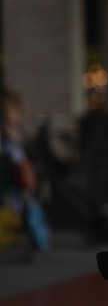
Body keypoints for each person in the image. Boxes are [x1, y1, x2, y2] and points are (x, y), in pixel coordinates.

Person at [0, 87, 52, 253]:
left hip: (14, 170)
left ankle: (39, 240)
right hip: (12, 170)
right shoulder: (9, 125)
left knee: (27, 205)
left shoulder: (10, 124)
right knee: (26, 204)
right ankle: (38, 240)